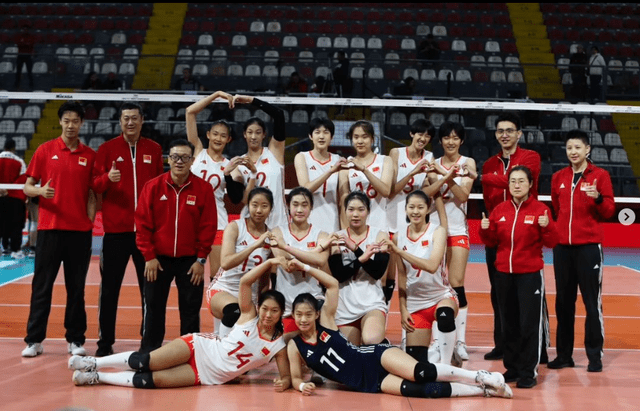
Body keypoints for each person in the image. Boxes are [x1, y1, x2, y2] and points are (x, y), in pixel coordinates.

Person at [286, 258, 512, 399]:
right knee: (425, 391)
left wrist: (304, 266)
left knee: (421, 373)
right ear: (293, 316)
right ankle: (483, 390)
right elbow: (296, 377)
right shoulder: (295, 346)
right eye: (299, 315)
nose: (303, 319)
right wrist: (302, 385)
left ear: (316, 314)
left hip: (374, 357)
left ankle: (479, 375)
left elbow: (333, 284)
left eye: (308, 314)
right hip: (367, 382)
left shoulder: (325, 321)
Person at [69, 256, 292, 390]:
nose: (267, 314)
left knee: (148, 382)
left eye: (274, 311)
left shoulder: (277, 346)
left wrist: (286, 383)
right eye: (265, 308)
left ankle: (96, 377)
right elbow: (245, 281)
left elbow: (286, 377)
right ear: (259, 308)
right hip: (200, 347)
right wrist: (270, 262)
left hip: (208, 376)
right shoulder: (249, 316)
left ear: (281, 313)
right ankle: (93, 362)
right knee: (146, 361)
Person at [21, 101, 97, 357]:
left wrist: (89, 218)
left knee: (76, 288)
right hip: (50, 230)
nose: (71, 125)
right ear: (61, 122)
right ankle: (34, 340)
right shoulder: (45, 150)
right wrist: (40, 191)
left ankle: (75, 340)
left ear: (81, 124)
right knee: (42, 285)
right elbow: (27, 187)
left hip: (79, 232)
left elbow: (93, 192)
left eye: (75, 121)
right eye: (67, 120)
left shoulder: (89, 155)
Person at [91, 102, 164, 356]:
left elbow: (159, 188)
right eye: (125, 119)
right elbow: (95, 185)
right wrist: (106, 180)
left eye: (134, 118)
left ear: (142, 120)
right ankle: (104, 343)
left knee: (150, 290)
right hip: (114, 233)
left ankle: (149, 341)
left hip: (145, 234)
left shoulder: (154, 149)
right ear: (120, 122)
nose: (130, 123)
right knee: (109, 290)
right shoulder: (107, 149)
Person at [480, 166, 558, 389]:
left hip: (529, 275)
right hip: (503, 274)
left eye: (521, 181)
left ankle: (528, 371)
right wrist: (485, 230)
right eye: (513, 181)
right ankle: (512, 368)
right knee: (509, 323)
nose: (516, 185)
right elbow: (491, 241)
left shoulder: (540, 210)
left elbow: (552, 242)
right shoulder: (499, 210)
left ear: (530, 184)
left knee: (528, 324)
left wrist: (548, 226)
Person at [135, 139, 217, 352]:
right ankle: (149, 353)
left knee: (190, 311)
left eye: (185, 158)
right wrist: (149, 257)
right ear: (168, 160)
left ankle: (188, 354)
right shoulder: (152, 187)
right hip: (157, 260)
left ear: (192, 161)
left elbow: (208, 227)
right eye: (175, 157)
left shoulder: (204, 189)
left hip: (190, 262)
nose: (179, 161)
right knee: (153, 309)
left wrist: (201, 259)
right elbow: (142, 225)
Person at [548, 130, 615, 373]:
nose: (573, 152)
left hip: (588, 249)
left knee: (591, 303)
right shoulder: (558, 177)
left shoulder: (600, 175)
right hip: (562, 249)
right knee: (563, 303)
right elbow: (557, 209)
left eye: (578, 147)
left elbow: (609, 211)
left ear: (587, 150)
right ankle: (564, 356)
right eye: (569, 148)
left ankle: (594, 357)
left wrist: (597, 198)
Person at [480, 112, 543, 362]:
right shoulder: (489, 163)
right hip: (498, 236)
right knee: (499, 294)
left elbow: (511, 180)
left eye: (509, 130)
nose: (504, 135)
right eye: (500, 131)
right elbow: (489, 198)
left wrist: (479, 176)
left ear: (519, 133)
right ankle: (502, 344)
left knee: (530, 299)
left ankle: (537, 348)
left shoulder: (530, 157)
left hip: (526, 237)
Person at [382, 190, 461, 366]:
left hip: (441, 296)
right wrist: (403, 309)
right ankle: (444, 355)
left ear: (428, 210)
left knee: (445, 315)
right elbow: (401, 276)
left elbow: (432, 266)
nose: (415, 211)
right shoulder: (399, 236)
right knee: (417, 365)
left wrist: (401, 252)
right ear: (405, 210)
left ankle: (447, 365)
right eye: (411, 207)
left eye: (420, 207)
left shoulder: (437, 232)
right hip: (416, 303)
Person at [423, 122, 477, 362]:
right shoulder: (432, 162)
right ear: (441, 141)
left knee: (456, 284)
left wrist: (448, 178)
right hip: (434, 230)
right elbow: (428, 194)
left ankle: (460, 342)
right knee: (436, 284)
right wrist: (444, 176)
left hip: (457, 229)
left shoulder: (468, 163)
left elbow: (463, 195)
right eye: (446, 137)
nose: (451, 142)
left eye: (455, 138)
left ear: (461, 141)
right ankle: (437, 341)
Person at [186, 91, 246, 280]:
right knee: (189, 276)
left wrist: (234, 175)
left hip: (217, 223)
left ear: (228, 140)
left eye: (223, 136)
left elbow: (238, 193)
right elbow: (190, 112)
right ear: (208, 135)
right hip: (190, 220)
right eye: (215, 134)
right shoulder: (197, 151)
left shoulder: (230, 166)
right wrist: (216, 95)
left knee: (217, 277)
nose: (218, 139)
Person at [207, 187, 273, 339]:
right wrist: (255, 245)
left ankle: (219, 340)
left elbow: (264, 277)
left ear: (270, 209)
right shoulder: (235, 227)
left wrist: (260, 304)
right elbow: (226, 262)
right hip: (224, 289)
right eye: (255, 205)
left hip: (249, 295)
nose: (258, 210)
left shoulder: (271, 236)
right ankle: (222, 349)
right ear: (248, 205)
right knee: (234, 311)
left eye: (264, 206)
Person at [328, 191, 390, 345]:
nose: (355, 214)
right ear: (345, 211)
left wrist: (355, 248)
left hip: (372, 303)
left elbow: (377, 272)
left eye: (360, 210)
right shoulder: (337, 237)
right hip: (344, 305)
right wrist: (362, 256)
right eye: (351, 209)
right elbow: (339, 275)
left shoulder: (380, 236)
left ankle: (382, 346)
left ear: (368, 211)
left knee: (370, 340)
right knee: (349, 356)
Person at [269, 187, 331, 341]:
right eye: (295, 204)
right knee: (285, 346)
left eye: (304, 205)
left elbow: (321, 261)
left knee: (318, 343)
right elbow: (287, 265)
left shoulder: (321, 234)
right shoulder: (277, 232)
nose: (299, 209)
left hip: (313, 298)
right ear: (288, 206)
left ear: (311, 208)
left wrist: (286, 248)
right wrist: (316, 251)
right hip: (285, 302)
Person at [231, 94, 288, 230]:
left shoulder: (274, 152)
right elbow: (244, 200)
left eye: (258, 132)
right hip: (251, 224)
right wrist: (252, 174)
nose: (253, 136)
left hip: (278, 222)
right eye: (250, 132)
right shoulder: (238, 164)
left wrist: (251, 100)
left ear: (264, 135)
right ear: (244, 134)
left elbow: (279, 114)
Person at [338, 120, 393, 232]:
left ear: (372, 139)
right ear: (351, 140)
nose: (360, 141)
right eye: (356, 137)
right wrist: (345, 232)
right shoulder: (346, 166)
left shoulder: (385, 160)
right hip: (355, 229)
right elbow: (344, 203)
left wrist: (364, 170)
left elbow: (386, 191)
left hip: (379, 226)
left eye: (364, 137)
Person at [294, 118, 347, 233]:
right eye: (317, 132)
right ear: (310, 136)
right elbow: (305, 189)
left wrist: (344, 229)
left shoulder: (338, 160)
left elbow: (343, 198)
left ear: (332, 137)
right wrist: (330, 171)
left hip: (332, 221)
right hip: (308, 220)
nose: (321, 136)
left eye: (326, 132)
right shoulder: (302, 157)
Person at [388, 119, 435, 235]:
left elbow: (432, 189)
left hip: (414, 218)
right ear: (411, 134)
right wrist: (412, 173)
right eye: (420, 134)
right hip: (392, 215)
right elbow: (391, 191)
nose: (423, 139)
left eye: (427, 136)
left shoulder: (429, 157)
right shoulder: (396, 153)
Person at [0, 138, 27, 258]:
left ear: (4, 147)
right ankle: (15, 250)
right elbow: (22, 180)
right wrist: (8, 190)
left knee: (2, 222)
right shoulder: (19, 161)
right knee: (16, 224)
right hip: (14, 198)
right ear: (14, 148)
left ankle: (4, 247)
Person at [13, 24, 35, 90]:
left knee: (29, 71)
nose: (24, 30)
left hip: (28, 55)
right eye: (23, 29)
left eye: (26, 29)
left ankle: (31, 84)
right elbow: (18, 44)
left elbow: (31, 44)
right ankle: (17, 84)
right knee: (18, 71)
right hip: (20, 55)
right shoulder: (19, 36)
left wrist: (24, 43)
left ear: (28, 30)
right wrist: (25, 44)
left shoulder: (31, 37)